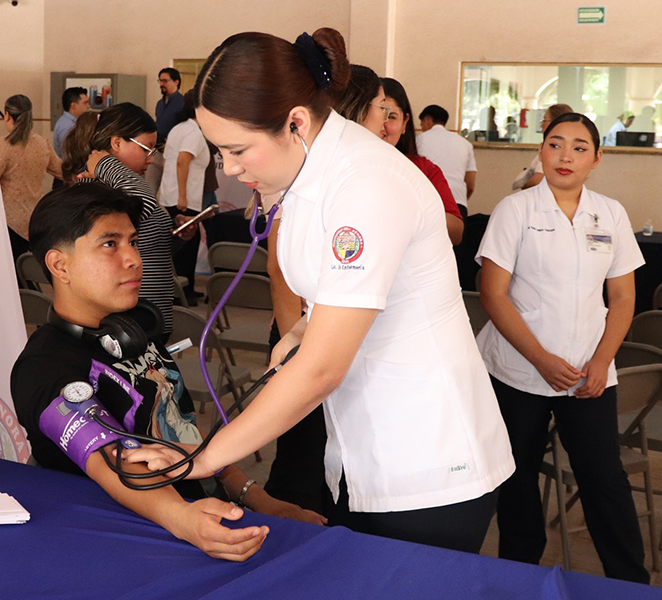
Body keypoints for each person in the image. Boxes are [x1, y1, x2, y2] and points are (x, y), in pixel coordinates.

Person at [127, 29, 515, 554]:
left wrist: (201, 460)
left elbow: (324, 368)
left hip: (428, 463)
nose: (232, 169)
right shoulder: (311, 174)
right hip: (363, 449)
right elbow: (355, 290)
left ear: (296, 122)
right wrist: (308, 327)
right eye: (220, 152)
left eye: (238, 150)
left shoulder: (365, 183)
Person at [12, 182, 323, 562]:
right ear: (60, 265)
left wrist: (258, 497)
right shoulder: (44, 369)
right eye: (110, 244)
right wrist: (181, 516)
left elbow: (184, 430)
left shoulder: (132, 333)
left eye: (132, 242)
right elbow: (106, 454)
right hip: (127, 541)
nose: (133, 258)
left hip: (199, 513)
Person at [476, 113, 649, 583]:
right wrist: (540, 359)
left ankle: (629, 584)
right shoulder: (517, 210)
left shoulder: (610, 213)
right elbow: (492, 292)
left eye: (578, 147)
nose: (565, 156)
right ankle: (519, 575)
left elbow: (623, 297)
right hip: (518, 369)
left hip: (589, 374)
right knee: (517, 480)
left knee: (605, 481)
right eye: (555, 144)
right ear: (541, 151)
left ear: (596, 158)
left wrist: (601, 361)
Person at [62, 103, 176, 338]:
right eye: (147, 149)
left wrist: (178, 232)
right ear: (116, 144)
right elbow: (141, 203)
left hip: (151, 312)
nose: (151, 160)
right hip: (126, 321)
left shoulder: (126, 187)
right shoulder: (97, 188)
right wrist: (104, 164)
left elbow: (150, 241)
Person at [379, 77, 464, 245]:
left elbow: (456, 232)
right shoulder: (340, 165)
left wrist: (410, 211)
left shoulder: (423, 169)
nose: (381, 124)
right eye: (373, 114)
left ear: (405, 123)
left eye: (391, 116)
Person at [0, 94, 63, 261]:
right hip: (35, 220)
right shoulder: (42, 143)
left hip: (8, 223)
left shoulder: (3, 146)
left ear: (7, 115)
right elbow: (63, 172)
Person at [159, 89, 210, 303]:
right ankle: (183, 293)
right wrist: (182, 196)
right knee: (187, 245)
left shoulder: (179, 128)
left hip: (172, 194)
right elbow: (182, 160)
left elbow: (167, 160)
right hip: (183, 199)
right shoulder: (193, 132)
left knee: (182, 245)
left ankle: (184, 289)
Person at [417, 104, 477, 218]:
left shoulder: (419, 140)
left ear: (428, 120)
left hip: (428, 203)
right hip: (458, 203)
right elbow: (470, 185)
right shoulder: (465, 143)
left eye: (422, 124)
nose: (422, 128)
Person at [514, 103, 573, 190]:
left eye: (545, 120)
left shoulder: (553, 148)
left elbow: (538, 180)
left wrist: (524, 185)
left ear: (554, 122)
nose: (542, 124)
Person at [52, 86, 89, 158]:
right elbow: (68, 156)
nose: (88, 106)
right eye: (85, 103)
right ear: (73, 105)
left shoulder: (73, 123)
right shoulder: (67, 126)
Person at [155, 68, 184, 146]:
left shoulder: (183, 103)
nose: (161, 84)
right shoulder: (159, 104)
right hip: (159, 147)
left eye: (165, 81)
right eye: (160, 81)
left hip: (176, 147)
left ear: (176, 82)